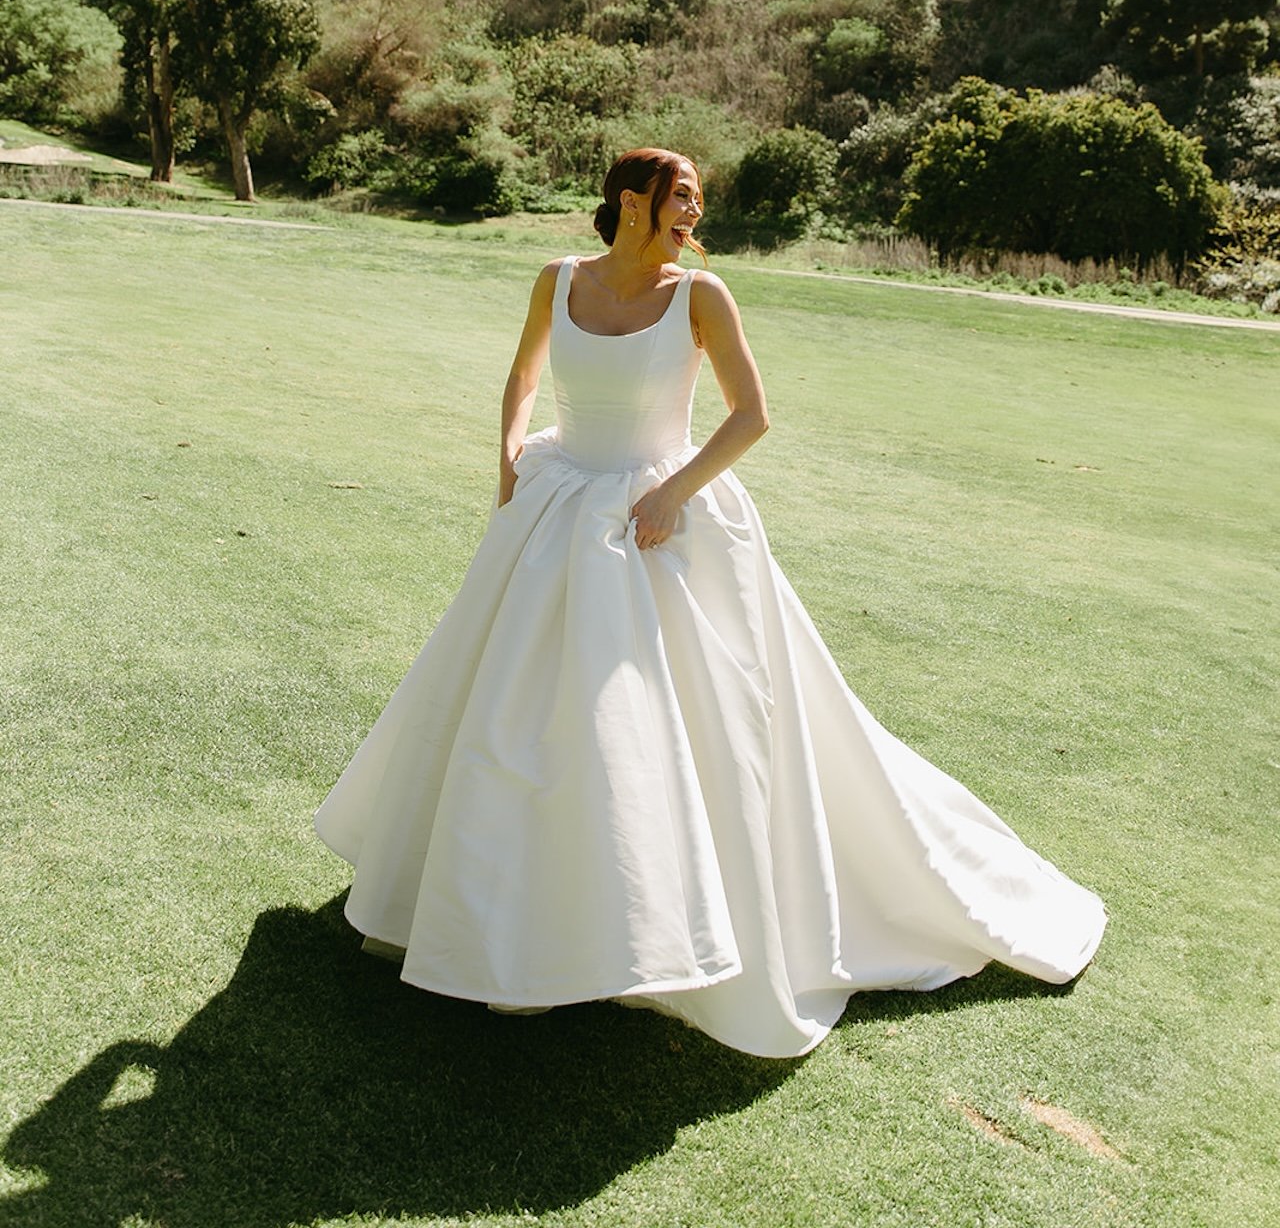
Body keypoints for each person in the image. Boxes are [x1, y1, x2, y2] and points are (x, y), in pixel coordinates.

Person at [315, 148, 1105, 1058]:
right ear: (630, 202)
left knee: (668, 731)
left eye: (697, 198)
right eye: (680, 196)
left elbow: (750, 414)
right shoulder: (556, 279)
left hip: (662, 526)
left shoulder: (702, 297)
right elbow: (523, 381)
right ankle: (515, 924)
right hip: (555, 506)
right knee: (518, 719)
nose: (694, 210)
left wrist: (674, 491)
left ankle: (662, 933)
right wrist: (507, 472)